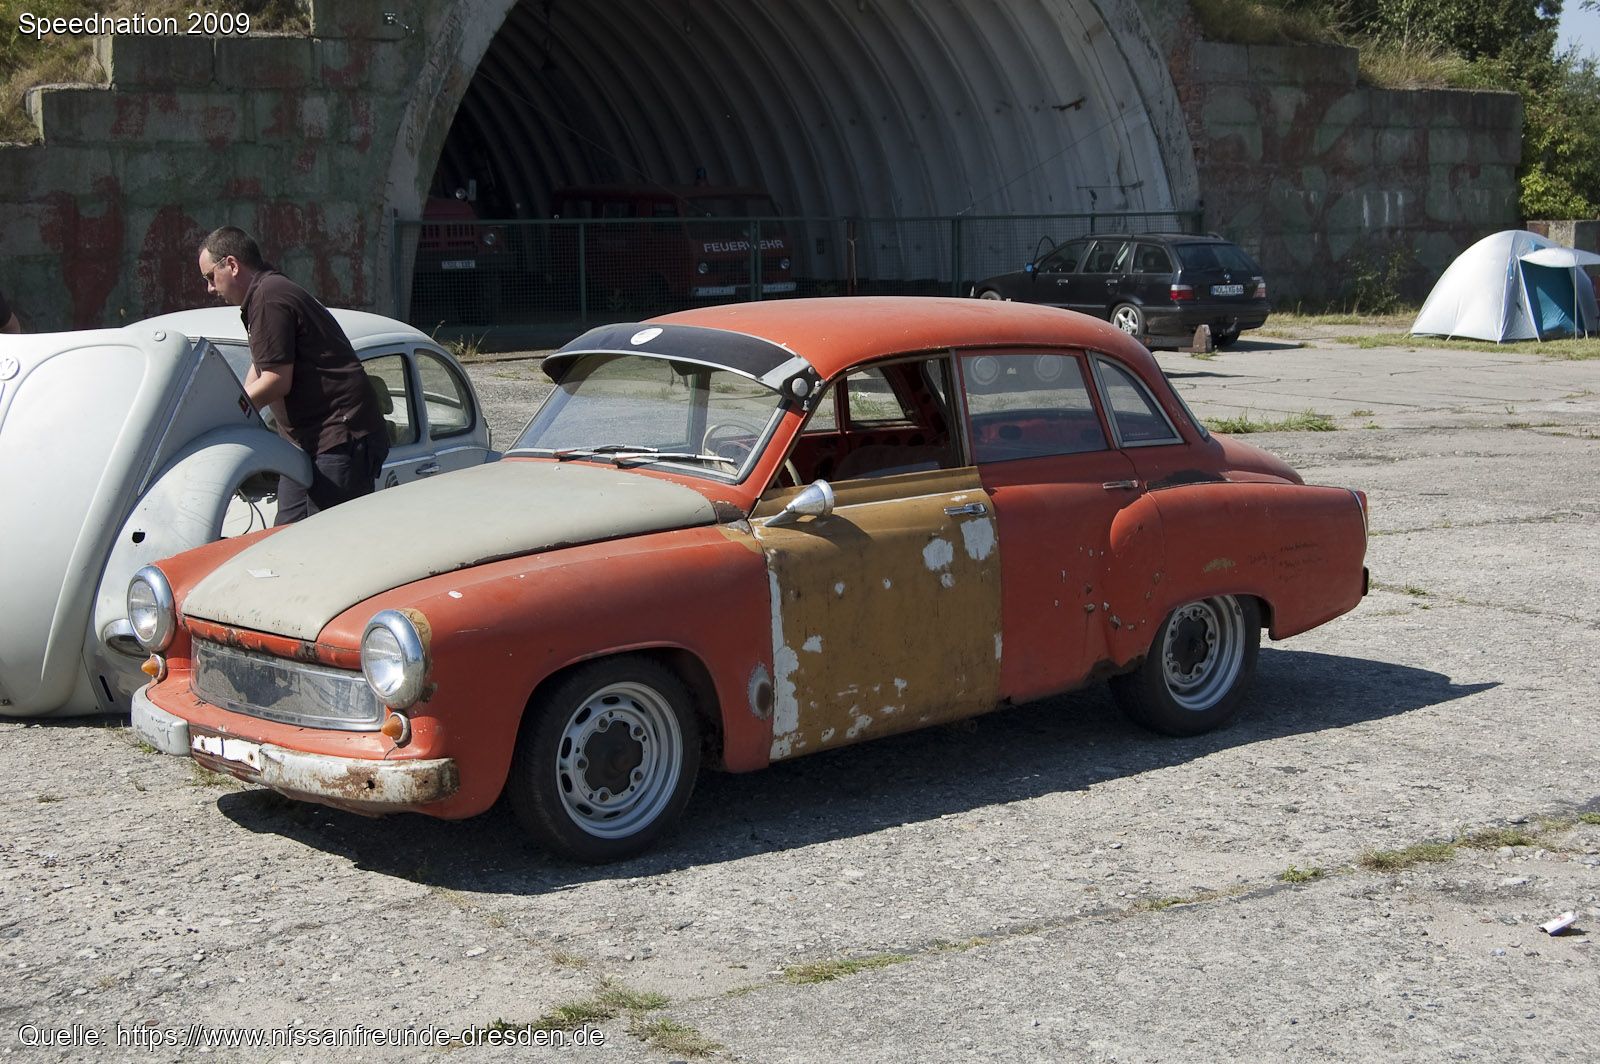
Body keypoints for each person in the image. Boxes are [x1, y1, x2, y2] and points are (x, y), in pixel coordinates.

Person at [197, 227, 389, 524]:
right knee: (286, 537)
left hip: (339, 439)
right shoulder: (265, 293)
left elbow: (276, 380)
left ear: (232, 265)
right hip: (307, 445)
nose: (210, 288)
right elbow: (262, 364)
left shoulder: (269, 296)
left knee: (330, 539)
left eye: (210, 277)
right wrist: (239, 408)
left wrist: (224, 414)